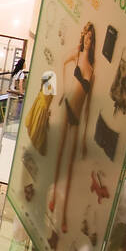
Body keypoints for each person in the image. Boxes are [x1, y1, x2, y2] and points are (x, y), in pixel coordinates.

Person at [48, 22, 96, 235]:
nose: (88, 41)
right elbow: (61, 63)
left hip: (77, 114)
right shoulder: (75, 56)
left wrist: (85, 136)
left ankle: (64, 213)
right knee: (59, 157)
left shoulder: (91, 68)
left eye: (91, 39)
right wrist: (63, 89)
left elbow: (88, 105)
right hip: (67, 106)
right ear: (82, 37)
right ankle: (51, 199)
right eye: (87, 37)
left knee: (69, 165)